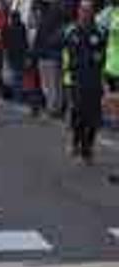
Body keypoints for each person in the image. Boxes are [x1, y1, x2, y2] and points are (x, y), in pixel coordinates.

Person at [64, 0, 107, 166]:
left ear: (92, 12)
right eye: (82, 9)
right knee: (79, 115)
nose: (84, 13)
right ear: (78, 11)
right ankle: (77, 143)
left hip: (94, 81)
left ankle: (88, 148)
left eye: (88, 10)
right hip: (77, 81)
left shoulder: (100, 32)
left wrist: (99, 60)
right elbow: (57, 44)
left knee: (94, 118)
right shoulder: (71, 31)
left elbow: (103, 54)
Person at [33, 0, 66, 118]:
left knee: (50, 84)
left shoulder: (47, 18)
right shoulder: (58, 16)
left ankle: (52, 109)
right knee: (55, 84)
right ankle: (56, 107)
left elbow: (39, 38)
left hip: (48, 54)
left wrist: (35, 53)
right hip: (52, 54)